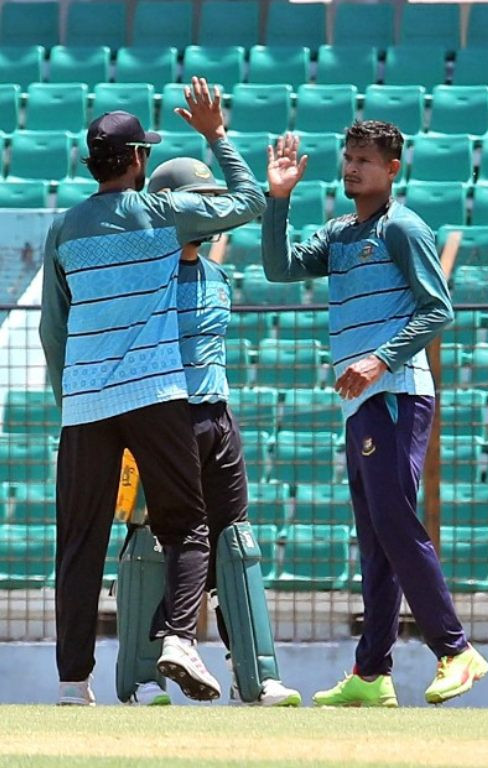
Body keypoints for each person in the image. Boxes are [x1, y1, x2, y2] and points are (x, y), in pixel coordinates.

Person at [39, 78, 265, 705]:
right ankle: (176, 638)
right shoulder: (163, 215)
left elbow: (51, 327)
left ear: (94, 164)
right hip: (155, 395)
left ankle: (70, 683)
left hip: (85, 404)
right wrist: (215, 135)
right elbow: (250, 202)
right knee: (188, 524)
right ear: (139, 160)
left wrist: (70, 400)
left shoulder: (64, 228)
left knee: (80, 540)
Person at [260, 121, 487, 707]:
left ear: (392, 169)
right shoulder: (340, 232)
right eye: (349, 157)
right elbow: (279, 268)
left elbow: (439, 310)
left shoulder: (403, 227)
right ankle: (370, 673)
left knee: (393, 522)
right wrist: (278, 199)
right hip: (363, 401)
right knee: (377, 535)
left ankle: (456, 650)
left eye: (365, 160)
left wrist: (380, 361)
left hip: (395, 394)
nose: (353, 168)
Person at [114, 157, 302, 707]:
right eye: (200, 202)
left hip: (217, 416)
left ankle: (257, 675)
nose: (212, 212)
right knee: (154, 543)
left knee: (234, 543)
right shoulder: (142, 279)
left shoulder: (217, 275)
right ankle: (146, 677)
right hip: (162, 418)